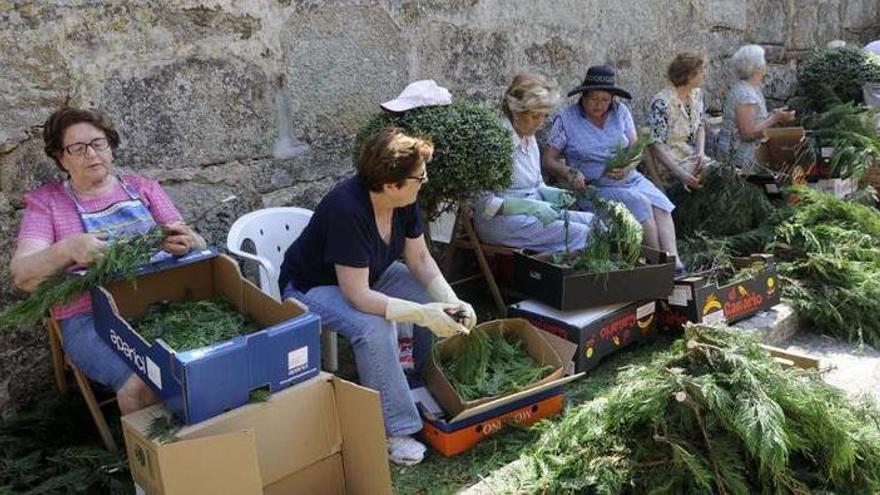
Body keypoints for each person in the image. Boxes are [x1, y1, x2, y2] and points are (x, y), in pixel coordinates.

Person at [278, 128, 476, 466]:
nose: (425, 180)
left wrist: (449, 300)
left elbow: (420, 259)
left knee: (424, 295)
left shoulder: (405, 200)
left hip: (370, 274)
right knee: (375, 327)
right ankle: (395, 429)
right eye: (420, 176)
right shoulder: (347, 208)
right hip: (310, 286)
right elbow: (357, 296)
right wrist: (422, 314)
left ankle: (423, 379)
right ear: (390, 184)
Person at [9, 107, 205, 414]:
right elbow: (22, 274)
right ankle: (153, 457)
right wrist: (67, 249)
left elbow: (194, 240)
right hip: (91, 319)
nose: (91, 154)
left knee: (206, 352)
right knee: (144, 382)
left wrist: (188, 242)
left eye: (98, 143)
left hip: (159, 302)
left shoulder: (143, 188)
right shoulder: (46, 204)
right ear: (62, 158)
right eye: (77, 148)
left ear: (110, 147)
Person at [543, 65, 684, 272]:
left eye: (605, 100)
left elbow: (635, 150)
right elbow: (548, 160)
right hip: (594, 187)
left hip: (629, 178)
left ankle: (675, 263)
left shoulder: (620, 112)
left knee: (660, 204)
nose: (600, 105)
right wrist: (569, 172)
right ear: (583, 96)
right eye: (594, 99)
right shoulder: (567, 119)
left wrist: (628, 167)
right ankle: (656, 265)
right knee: (640, 202)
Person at [473, 72, 596, 252]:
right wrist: (531, 207)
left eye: (544, 116)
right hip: (500, 223)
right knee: (582, 233)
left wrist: (555, 194)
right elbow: (486, 205)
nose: (540, 123)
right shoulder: (497, 143)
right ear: (516, 112)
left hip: (531, 213)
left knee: (595, 222)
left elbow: (536, 183)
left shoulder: (529, 139)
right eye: (534, 116)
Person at [716, 44, 796, 172]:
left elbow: (754, 119)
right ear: (757, 68)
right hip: (739, 157)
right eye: (764, 62)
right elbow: (747, 133)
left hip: (748, 151)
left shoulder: (752, 88)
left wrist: (771, 115)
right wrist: (774, 119)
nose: (766, 65)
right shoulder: (745, 94)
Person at [647, 53, 715, 190]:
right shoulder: (662, 103)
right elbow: (656, 145)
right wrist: (681, 174)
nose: (704, 75)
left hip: (692, 156)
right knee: (712, 178)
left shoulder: (696, 94)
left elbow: (700, 125)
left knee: (722, 174)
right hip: (671, 163)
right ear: (688, 75)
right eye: (700, 71)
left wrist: (700, 152)